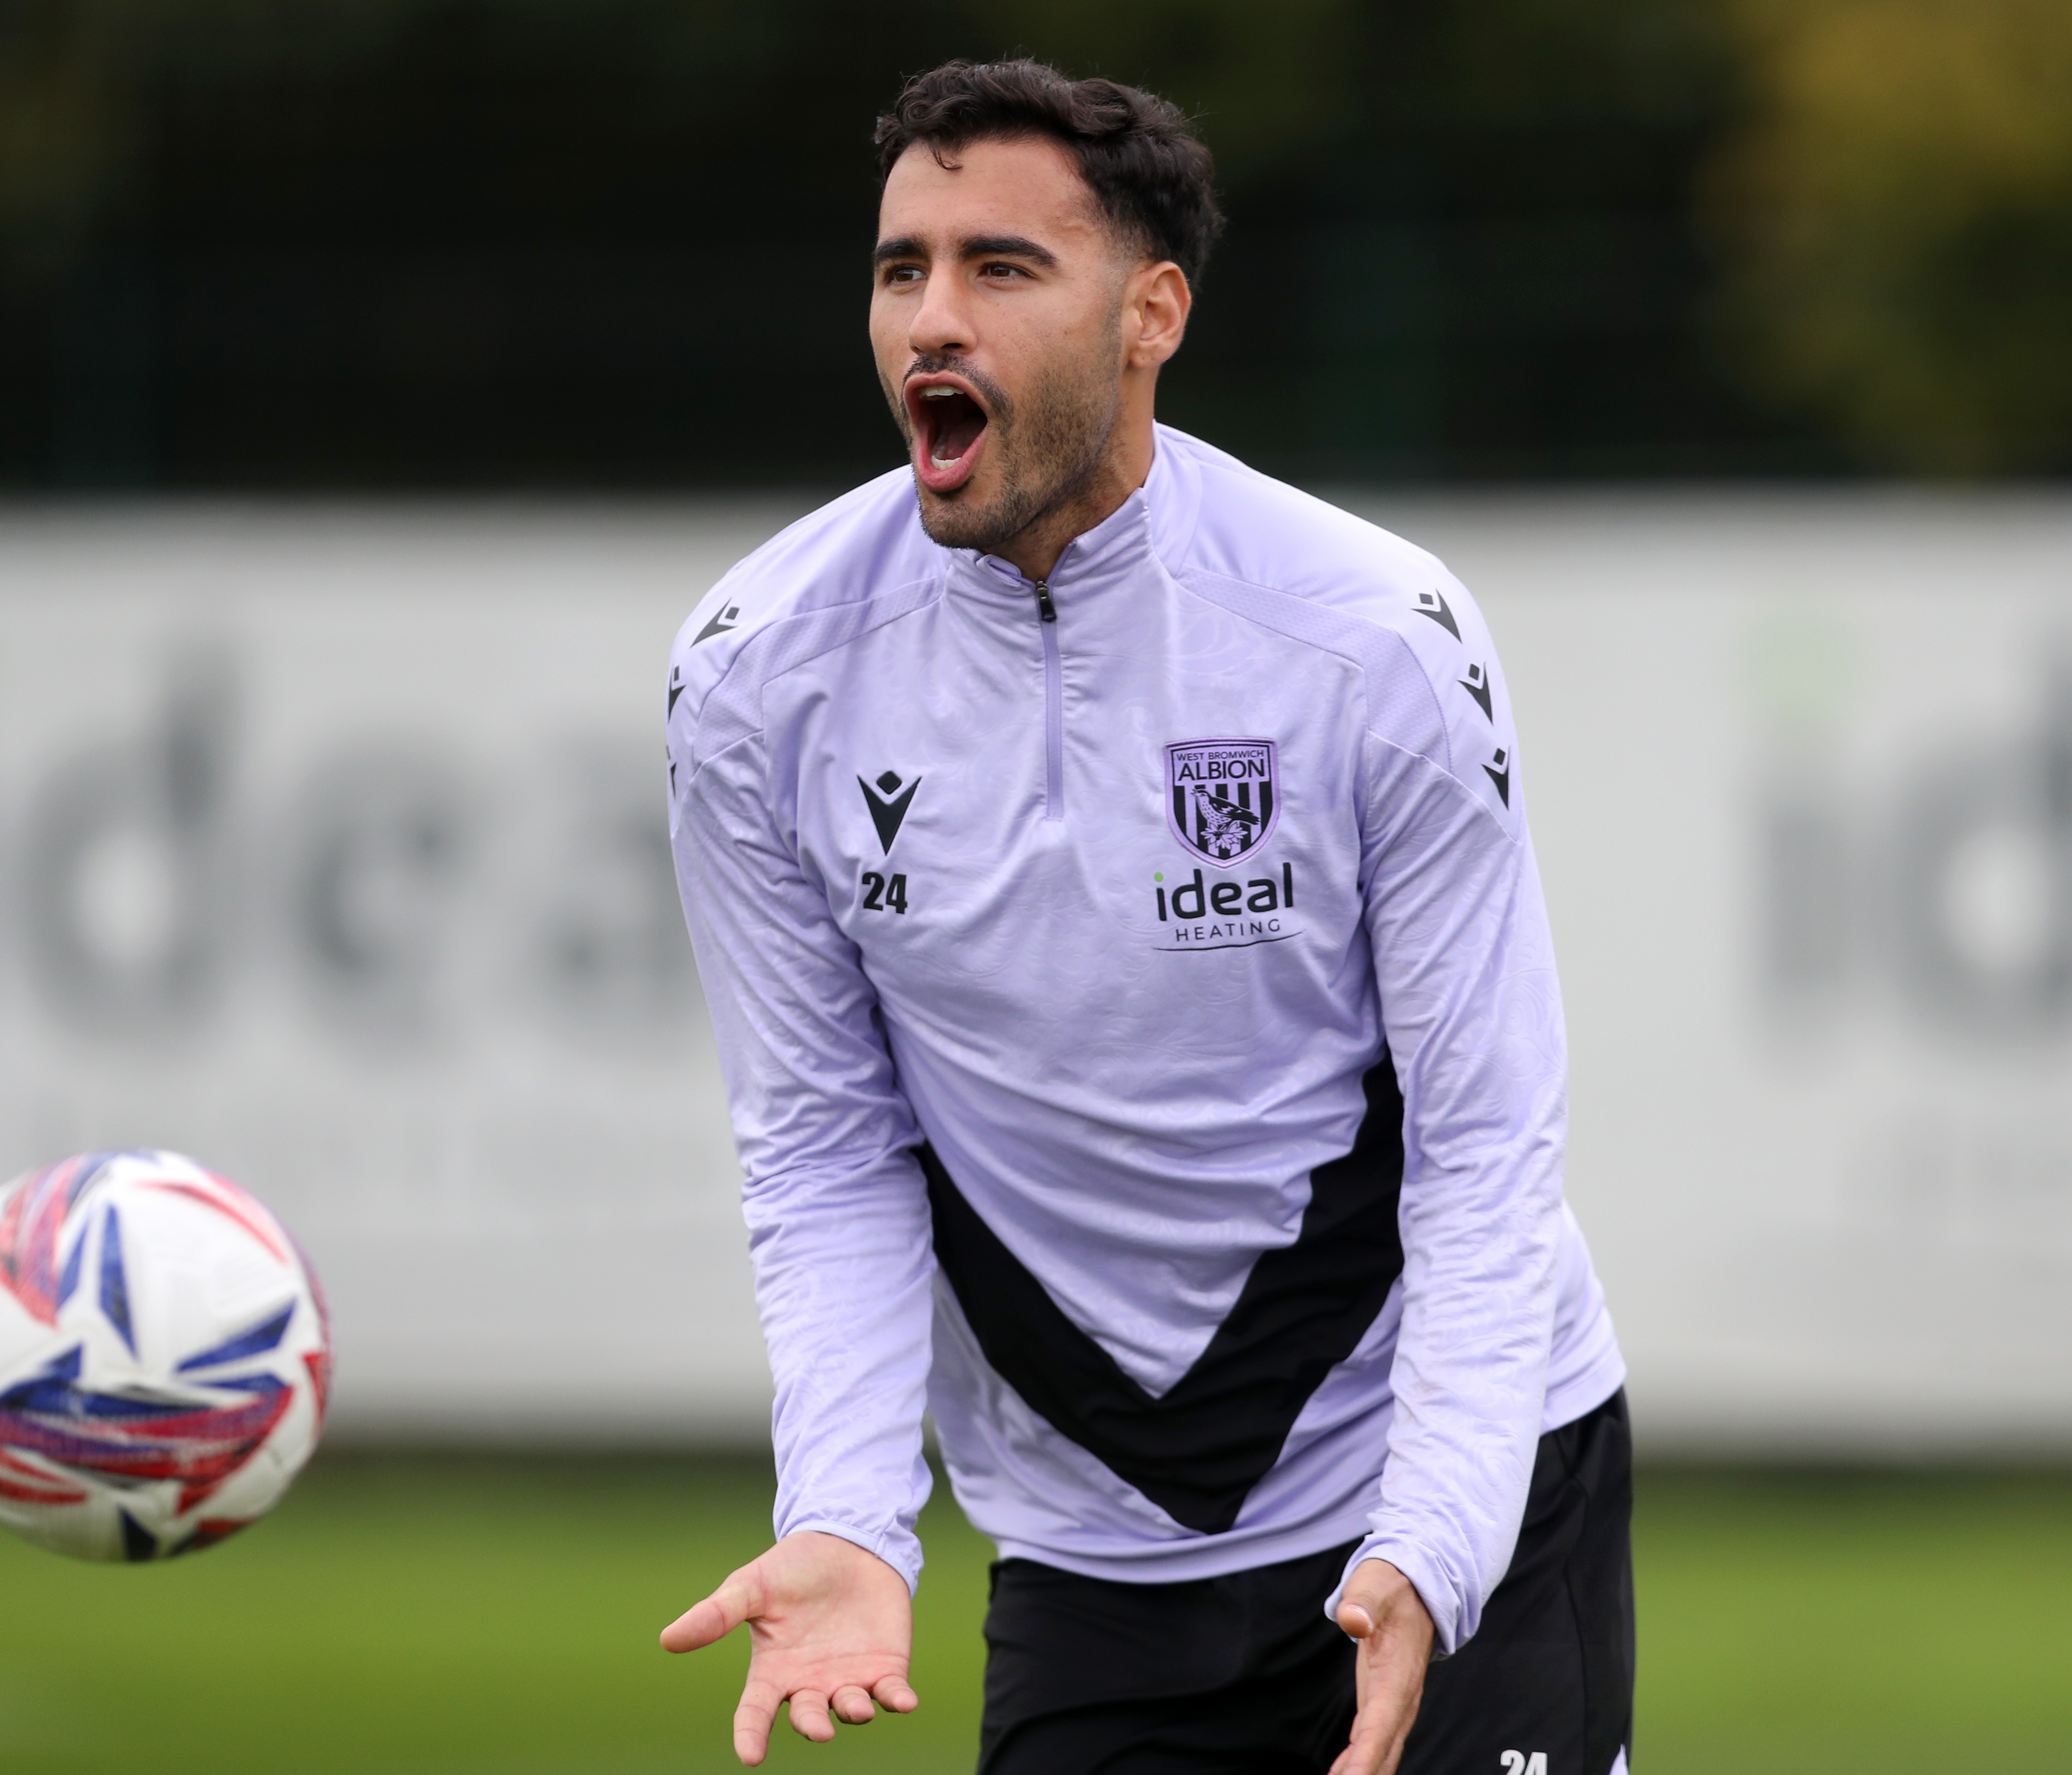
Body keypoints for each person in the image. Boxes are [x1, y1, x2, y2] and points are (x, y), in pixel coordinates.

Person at [659, 58, 1630, 1775]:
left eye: (1000, 268)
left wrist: (1437, 1542)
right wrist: (852, 1515)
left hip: (1448, 1483)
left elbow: (1486, 1142)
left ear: (1149, 312)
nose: (929, 321)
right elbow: (819, 1147)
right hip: (1092, 1551)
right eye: (902, 269)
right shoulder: (757, 678)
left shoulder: (1372, 637)